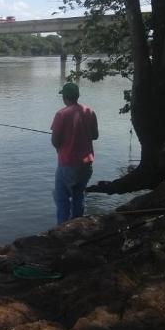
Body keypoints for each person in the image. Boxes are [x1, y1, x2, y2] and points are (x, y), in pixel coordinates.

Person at [51, 82, 99, 225]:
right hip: (87, 163)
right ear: (77, 96)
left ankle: (61, 230)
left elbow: (55, 141)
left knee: (62, 199)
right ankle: (77, 226)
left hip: (68, 163)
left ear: (65, 97)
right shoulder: (89, 111)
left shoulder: (61, 114)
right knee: (78, 196)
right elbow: (95, 136)